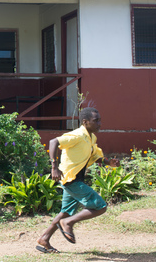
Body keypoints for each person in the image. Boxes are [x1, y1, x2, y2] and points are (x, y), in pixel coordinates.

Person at [36, 107, 108, 254]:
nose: (99, 123)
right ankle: (69, 223)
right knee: (100, 206)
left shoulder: (91, 137)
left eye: (99, 120)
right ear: (85, 122)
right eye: (96, 121)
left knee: (66, 212)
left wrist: (108, 163)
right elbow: (53, 142)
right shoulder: (77, 135)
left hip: (75, 179)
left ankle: (44, 238)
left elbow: (93, 155)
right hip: (71, 180)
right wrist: (54, 167)